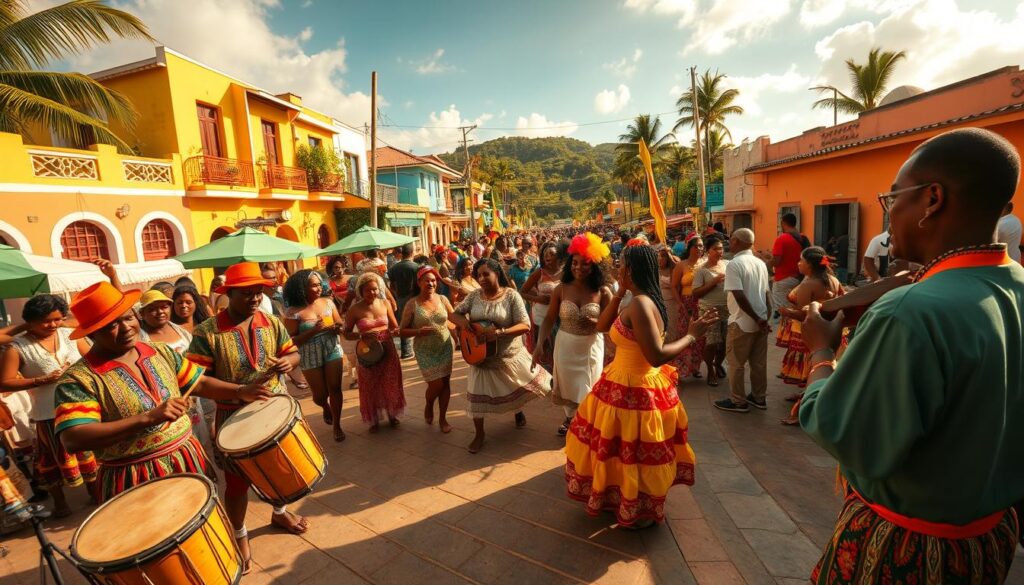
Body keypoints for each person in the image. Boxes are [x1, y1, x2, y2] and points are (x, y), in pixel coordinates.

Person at [798, 128, 1024, 583]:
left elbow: (847, 434)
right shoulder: (1015, 282)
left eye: (893, 198)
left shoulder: (910, 311)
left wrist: (820, 349)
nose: (889, 214)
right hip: (988, 540)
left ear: (932, 199)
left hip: (906, 551)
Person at [565, 242, 716, 528]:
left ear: (631, 269)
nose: (616, 268)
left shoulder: (641, 304)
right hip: (619, 385)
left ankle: (636, 508)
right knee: (619, 452)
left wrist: (692, 336)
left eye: (621, 264)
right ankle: (621, 499)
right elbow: (600, 327)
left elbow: (657, 356)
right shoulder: (634, 299)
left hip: (635, 390)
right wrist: (620, 290)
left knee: (632, 455)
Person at [185, 263, 307, 570]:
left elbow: (293, 352)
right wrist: (239, 391)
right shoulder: (206, 333)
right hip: (233, 417)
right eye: (246, 293)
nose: (254, 298)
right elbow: (196, 381)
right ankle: (239, 533)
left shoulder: (270, 321)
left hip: (273, 410)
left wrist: (288, 361)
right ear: (229, 294)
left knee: (278, 469)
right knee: (237, 483)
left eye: (258, 292)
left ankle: (279, 512)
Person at [0, 295, 96, 517]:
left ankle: (95, 493)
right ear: (30, 321)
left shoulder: (70, 335)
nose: (53, 325)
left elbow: (92, 359)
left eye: (58, 319)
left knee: (89, 452)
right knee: (52, 460)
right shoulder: (18, 346)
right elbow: (4, 382)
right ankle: (61, 505)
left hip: (83, 405)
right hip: (47, 412)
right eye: (46, 321)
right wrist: (40, 381)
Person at [449, 259, 552, 454]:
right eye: (478, 275)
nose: (481, 278)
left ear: (497, 273)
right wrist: (465, 324)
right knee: (475, 399)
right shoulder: (474, 296)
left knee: (517, 387)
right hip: (480, 358)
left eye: (486, 274)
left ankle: (518, 410)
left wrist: (499, 332)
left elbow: (525, 325)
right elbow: (453, 315)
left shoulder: (511, 296)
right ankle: (479, 434)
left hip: (508, 355)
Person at [533, 233, 612, 436]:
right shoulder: (561, 289)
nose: (579, 268)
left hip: (591, 347)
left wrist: (596, 322)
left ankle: (586, 423)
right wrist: (540, 343)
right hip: (565, 345)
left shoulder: (603, 292)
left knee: (588, 387)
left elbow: (612, 324)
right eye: (575, 263)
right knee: (567, 387)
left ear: (594, 265)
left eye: (585, 264)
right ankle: (570, 419)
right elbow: (549, 319)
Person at [136, 290, 213, 456]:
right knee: (178, 445)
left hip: (192, 395)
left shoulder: (181, 331)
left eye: (164, 307)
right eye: (153, 309)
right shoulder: (140, 341)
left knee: (202, 440)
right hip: (165, 403)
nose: (160, 312)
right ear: (142, 314)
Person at [776, 248, 843, 425]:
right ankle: (804, 398)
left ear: (810, 265)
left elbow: (805, 314)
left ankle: (800, 412)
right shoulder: (833, 280)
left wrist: (786, 312)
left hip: (811, 333)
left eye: (801, 260)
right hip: (830, 331)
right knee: (819, 368)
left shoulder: (808, 285)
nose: (798, 263)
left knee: (811, 369)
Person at [283, 270, 346, 443]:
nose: (319, 288)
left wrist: (337, 327)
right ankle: (325, 406)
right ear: (302, 288)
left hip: (331, 348)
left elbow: (340, 322)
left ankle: (337, 425)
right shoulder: (292, 312)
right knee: (319, 395)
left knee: (335, 388)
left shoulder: (328, 302)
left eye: (320, 284)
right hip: (309, 353)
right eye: (314, 285)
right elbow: (291, 340)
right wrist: (313, 331)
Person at [714, 228, 771, 413]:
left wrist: (756, 317)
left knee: (736, 364)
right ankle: (758, 397)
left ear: (737, 241)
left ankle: (738, 401)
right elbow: (766, 293)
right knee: (758, 363)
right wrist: (764, 318)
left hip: (741, 321)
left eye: (731, 239)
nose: (729, 243)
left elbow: (738, 295)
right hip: (759, 320)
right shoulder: (760, 263)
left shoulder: (734, 264)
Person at [342, 273, 405, 431]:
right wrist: (361, 335)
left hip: (388, 349)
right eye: (368, 290)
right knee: (370, 385)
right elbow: (346, 333)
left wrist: (398, 330)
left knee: (390, 382)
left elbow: (394, 326)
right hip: (366, 351)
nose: (372, 293)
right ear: (361, 291)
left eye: (375, 289)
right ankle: (373, 419)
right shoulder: (355, 309)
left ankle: (392, 415)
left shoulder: (385, 303)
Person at [399, 266, 456, 434]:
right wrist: (417, 331)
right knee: (436, 384)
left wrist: (457, 333)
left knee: (445, 383)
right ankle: (429, 404)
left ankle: (443, 418)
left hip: (445, 346)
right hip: (425, 351)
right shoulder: (412, 304)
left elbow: (452, 319)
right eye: (427, 281)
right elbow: (402, 331)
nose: (431, 283)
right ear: (419, 283)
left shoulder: (443, 299)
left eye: (433, 280)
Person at [692, 235, 730, 387]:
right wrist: (714, 282)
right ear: (707, 251)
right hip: (709, 309)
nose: (719, 252)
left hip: (727, 309)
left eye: (721, 248)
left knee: (726, 343)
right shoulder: (702, 270)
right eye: (715, 249)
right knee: (712, 343)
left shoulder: (727, 264)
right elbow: (695, 293)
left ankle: (718, 364)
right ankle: (710, 369)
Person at [521, 240, 564, 371]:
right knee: (545, 354)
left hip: (562, 318)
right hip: (541, 319)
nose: (547, 256)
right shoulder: (539, 273)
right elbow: (522, 292)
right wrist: (538, 299)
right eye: (545, 254)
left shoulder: (567, 273)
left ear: (559, 256)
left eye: (551, 253)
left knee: (561, 353)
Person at [670, 235, 706, 379]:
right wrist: (680, 303)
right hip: (686, 304)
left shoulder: (706, 263)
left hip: (702, 303)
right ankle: (682, 367)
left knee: (700, 337)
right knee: (684, 335)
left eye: (701, 246)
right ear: (690, 248)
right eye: (697, 245)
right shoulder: (682, 265)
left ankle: (696, 367)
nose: (700, 248)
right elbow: (674, 286)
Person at [765, 213, 806, 323]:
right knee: (793, 307)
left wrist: (766, 264)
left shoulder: (782, 238)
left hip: (783, 279)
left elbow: (777, 262)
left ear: (783, 223)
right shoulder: (801, 237)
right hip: (797, 278)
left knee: (783, 310)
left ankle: (785, 333)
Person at [388, 243, 420, 360]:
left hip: (400, 298)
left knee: (403, 323)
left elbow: (391, 285)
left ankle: (406, 351)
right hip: (414, 298)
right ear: (412, 252)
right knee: (418, 322)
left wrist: (397, 295)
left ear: (401, 253)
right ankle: (417, 349)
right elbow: (419, 284)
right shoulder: (416, 267)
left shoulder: (394, 268)